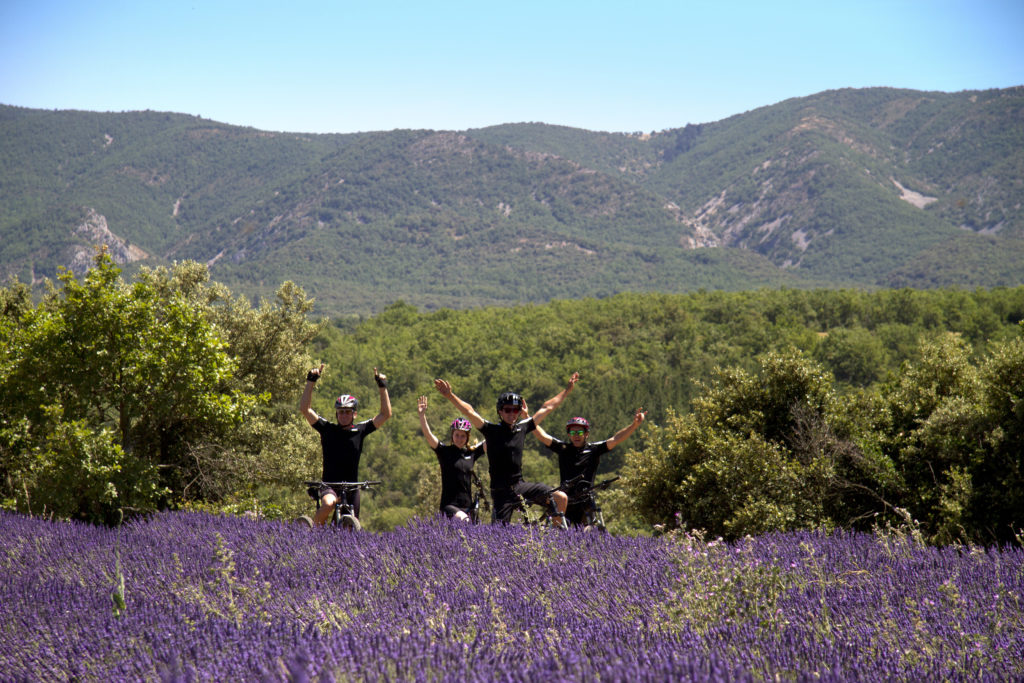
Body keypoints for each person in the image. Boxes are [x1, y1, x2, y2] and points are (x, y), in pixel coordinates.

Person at [434, 373, 578, 525]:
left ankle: (557, 534)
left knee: (561, 497)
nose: (512, 413)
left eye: (515, 410)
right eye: (507, 410)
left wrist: (567, 390)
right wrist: (450, 396)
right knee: (497, 534)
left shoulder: (522, 428)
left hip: (520, 486)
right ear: (500, 411)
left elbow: (547, 407)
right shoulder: (491, 430)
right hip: (500, 493)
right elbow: (469, 411)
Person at [300, 364, 392, 526]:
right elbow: (305, 409)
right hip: (329, 485)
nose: (344, 415)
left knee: (348, 529)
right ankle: (313, 534)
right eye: (341, 411)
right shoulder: (328, 429)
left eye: (348, 412)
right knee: (329, 504)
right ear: (336, 414)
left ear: (354, 414)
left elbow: (385, 414)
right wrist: (311, 381)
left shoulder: (360, 430)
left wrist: (382, 386)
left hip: (351, 488)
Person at [534, 409, 647, 527]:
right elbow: (543, 436)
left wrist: (634, 425)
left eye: (580, 432)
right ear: (569, 435)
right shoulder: (563, 448)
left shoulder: (594, 449)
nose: (576, 435)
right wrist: (528, 418)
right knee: (559, 532)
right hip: (565, 500)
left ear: (586, 434)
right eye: (572, 432)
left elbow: (616, 439)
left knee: (589, 533)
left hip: (586, 500)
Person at [417, 395, 486, 522]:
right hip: (449, 506)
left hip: (468, 507)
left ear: (467, 437)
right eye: (457, 435)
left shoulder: (471, 453)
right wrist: (422, 416)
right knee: (465, 522)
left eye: (463, 436)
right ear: (452, 435)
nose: (459, 439)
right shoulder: (444, 452)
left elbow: (491, 439)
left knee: (470, 530)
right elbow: (428, 435)